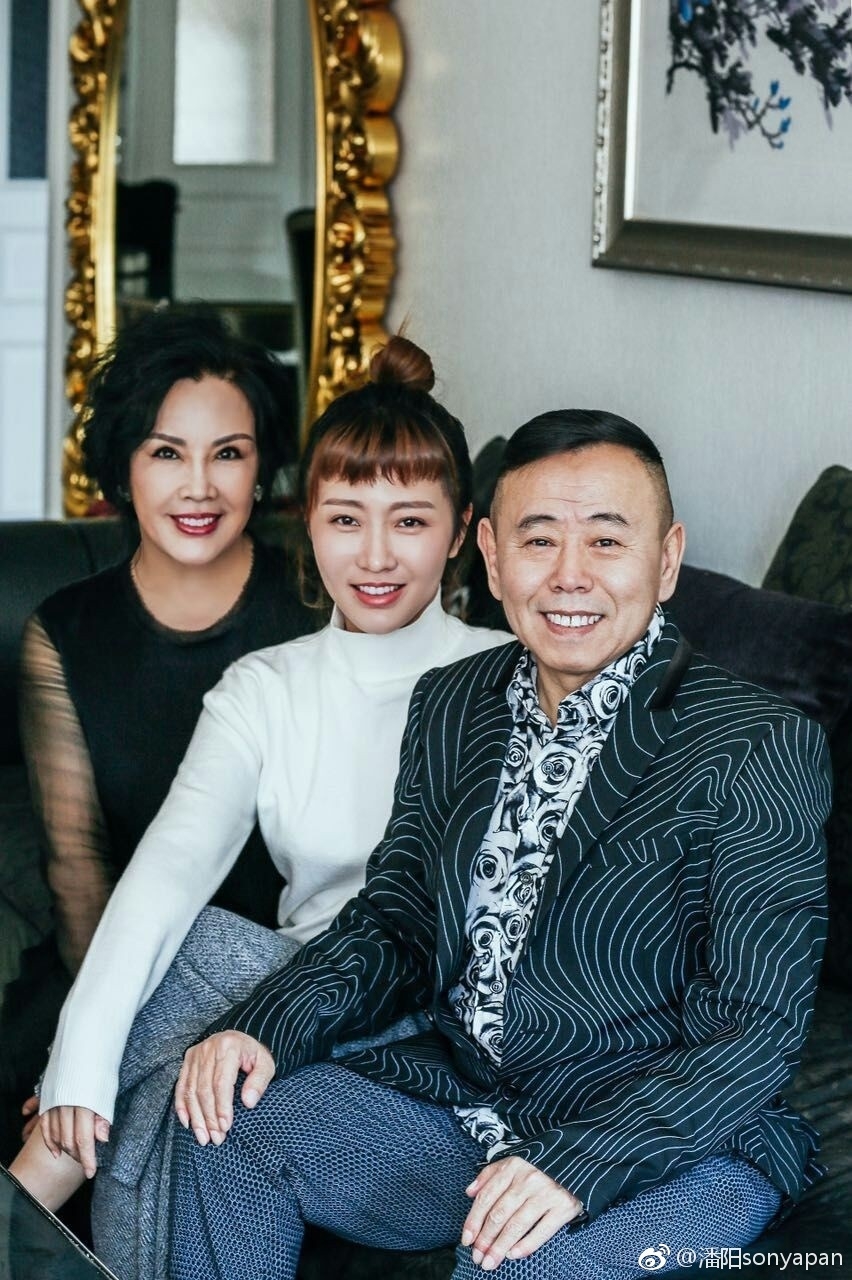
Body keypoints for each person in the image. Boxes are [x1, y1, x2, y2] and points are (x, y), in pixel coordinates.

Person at [169, 410, 830, 1280]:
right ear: (489, 555)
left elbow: (755, 1027)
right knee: (223, 1118)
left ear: (666, 560)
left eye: (606, 541)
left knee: (514, 1266)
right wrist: (264, 1027)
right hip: (473, 1106)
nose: (569, 575)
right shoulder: (453, 702)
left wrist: (580, 1163)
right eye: (538, 539)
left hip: (684, 1141)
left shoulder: (759, 742)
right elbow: (396, 923)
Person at [10, 333, 509, 1279]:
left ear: (461, 533)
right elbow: (167, 867)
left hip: (431, 1015)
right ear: (307, 522)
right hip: (295, 1007)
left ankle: (25, 1200)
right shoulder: (265, 686)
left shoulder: (505, 675)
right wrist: (81, 1065)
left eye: (409, 521)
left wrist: (82, 1058)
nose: (374, 556)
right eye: (345, 519)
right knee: (180, 1069)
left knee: (194, 964)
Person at [3, 306, 313, 1161]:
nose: (200, 487)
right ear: (124, 468)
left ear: (262, 469)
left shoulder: (320, 606)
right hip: (108, 967)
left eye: (229, 454)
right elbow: (77, 869)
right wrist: (103, 1042)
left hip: (274, 982)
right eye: (167, 453)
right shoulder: (64, 632)